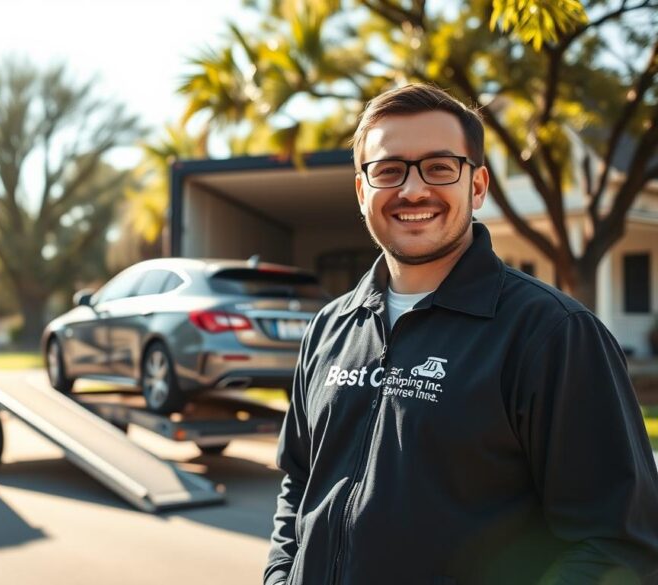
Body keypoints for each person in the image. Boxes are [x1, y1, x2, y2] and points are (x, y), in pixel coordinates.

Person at [264, 83, 658, 585]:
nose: (412, 190)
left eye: (439, 166)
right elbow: (299, 480)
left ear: (477, 186)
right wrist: (280, 576)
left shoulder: (552, 334)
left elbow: (617, 543)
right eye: (388, 170)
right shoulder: (329, 329)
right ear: (363, 191)